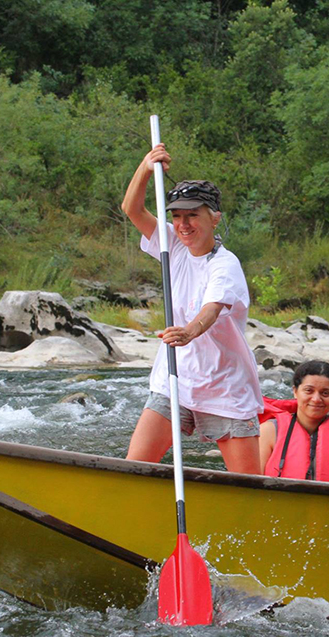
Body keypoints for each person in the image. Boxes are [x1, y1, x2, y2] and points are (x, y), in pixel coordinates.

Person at [120, 143, 262, 474]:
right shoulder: (173, 247)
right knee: (134, 469)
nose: (183, 224)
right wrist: (144, 167)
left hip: (225, 385)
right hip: (175, 378)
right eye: (178, 216)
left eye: (192, 215)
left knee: (249, 488)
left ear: (215, 218)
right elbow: (133, 209)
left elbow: (211, 309)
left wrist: (188, 332)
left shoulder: (225, 265)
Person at [259, 361, 329, 484]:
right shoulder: (269, 431)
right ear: (295, 391)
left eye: (325, 393)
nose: (316, 399)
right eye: (309, 390)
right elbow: (252, 483)